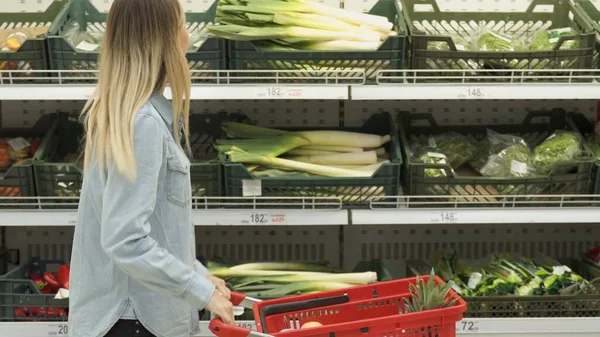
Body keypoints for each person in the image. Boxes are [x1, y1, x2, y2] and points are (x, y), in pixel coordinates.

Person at [68, 1, 235, 336]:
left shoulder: (134, 115)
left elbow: (155, 229)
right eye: (184, 25)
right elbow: (126, 240)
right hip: (134, 320)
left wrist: (196, 273)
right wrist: (200, 292)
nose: (188, 35)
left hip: (132, 317)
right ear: (166, 40)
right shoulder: (142, 123)